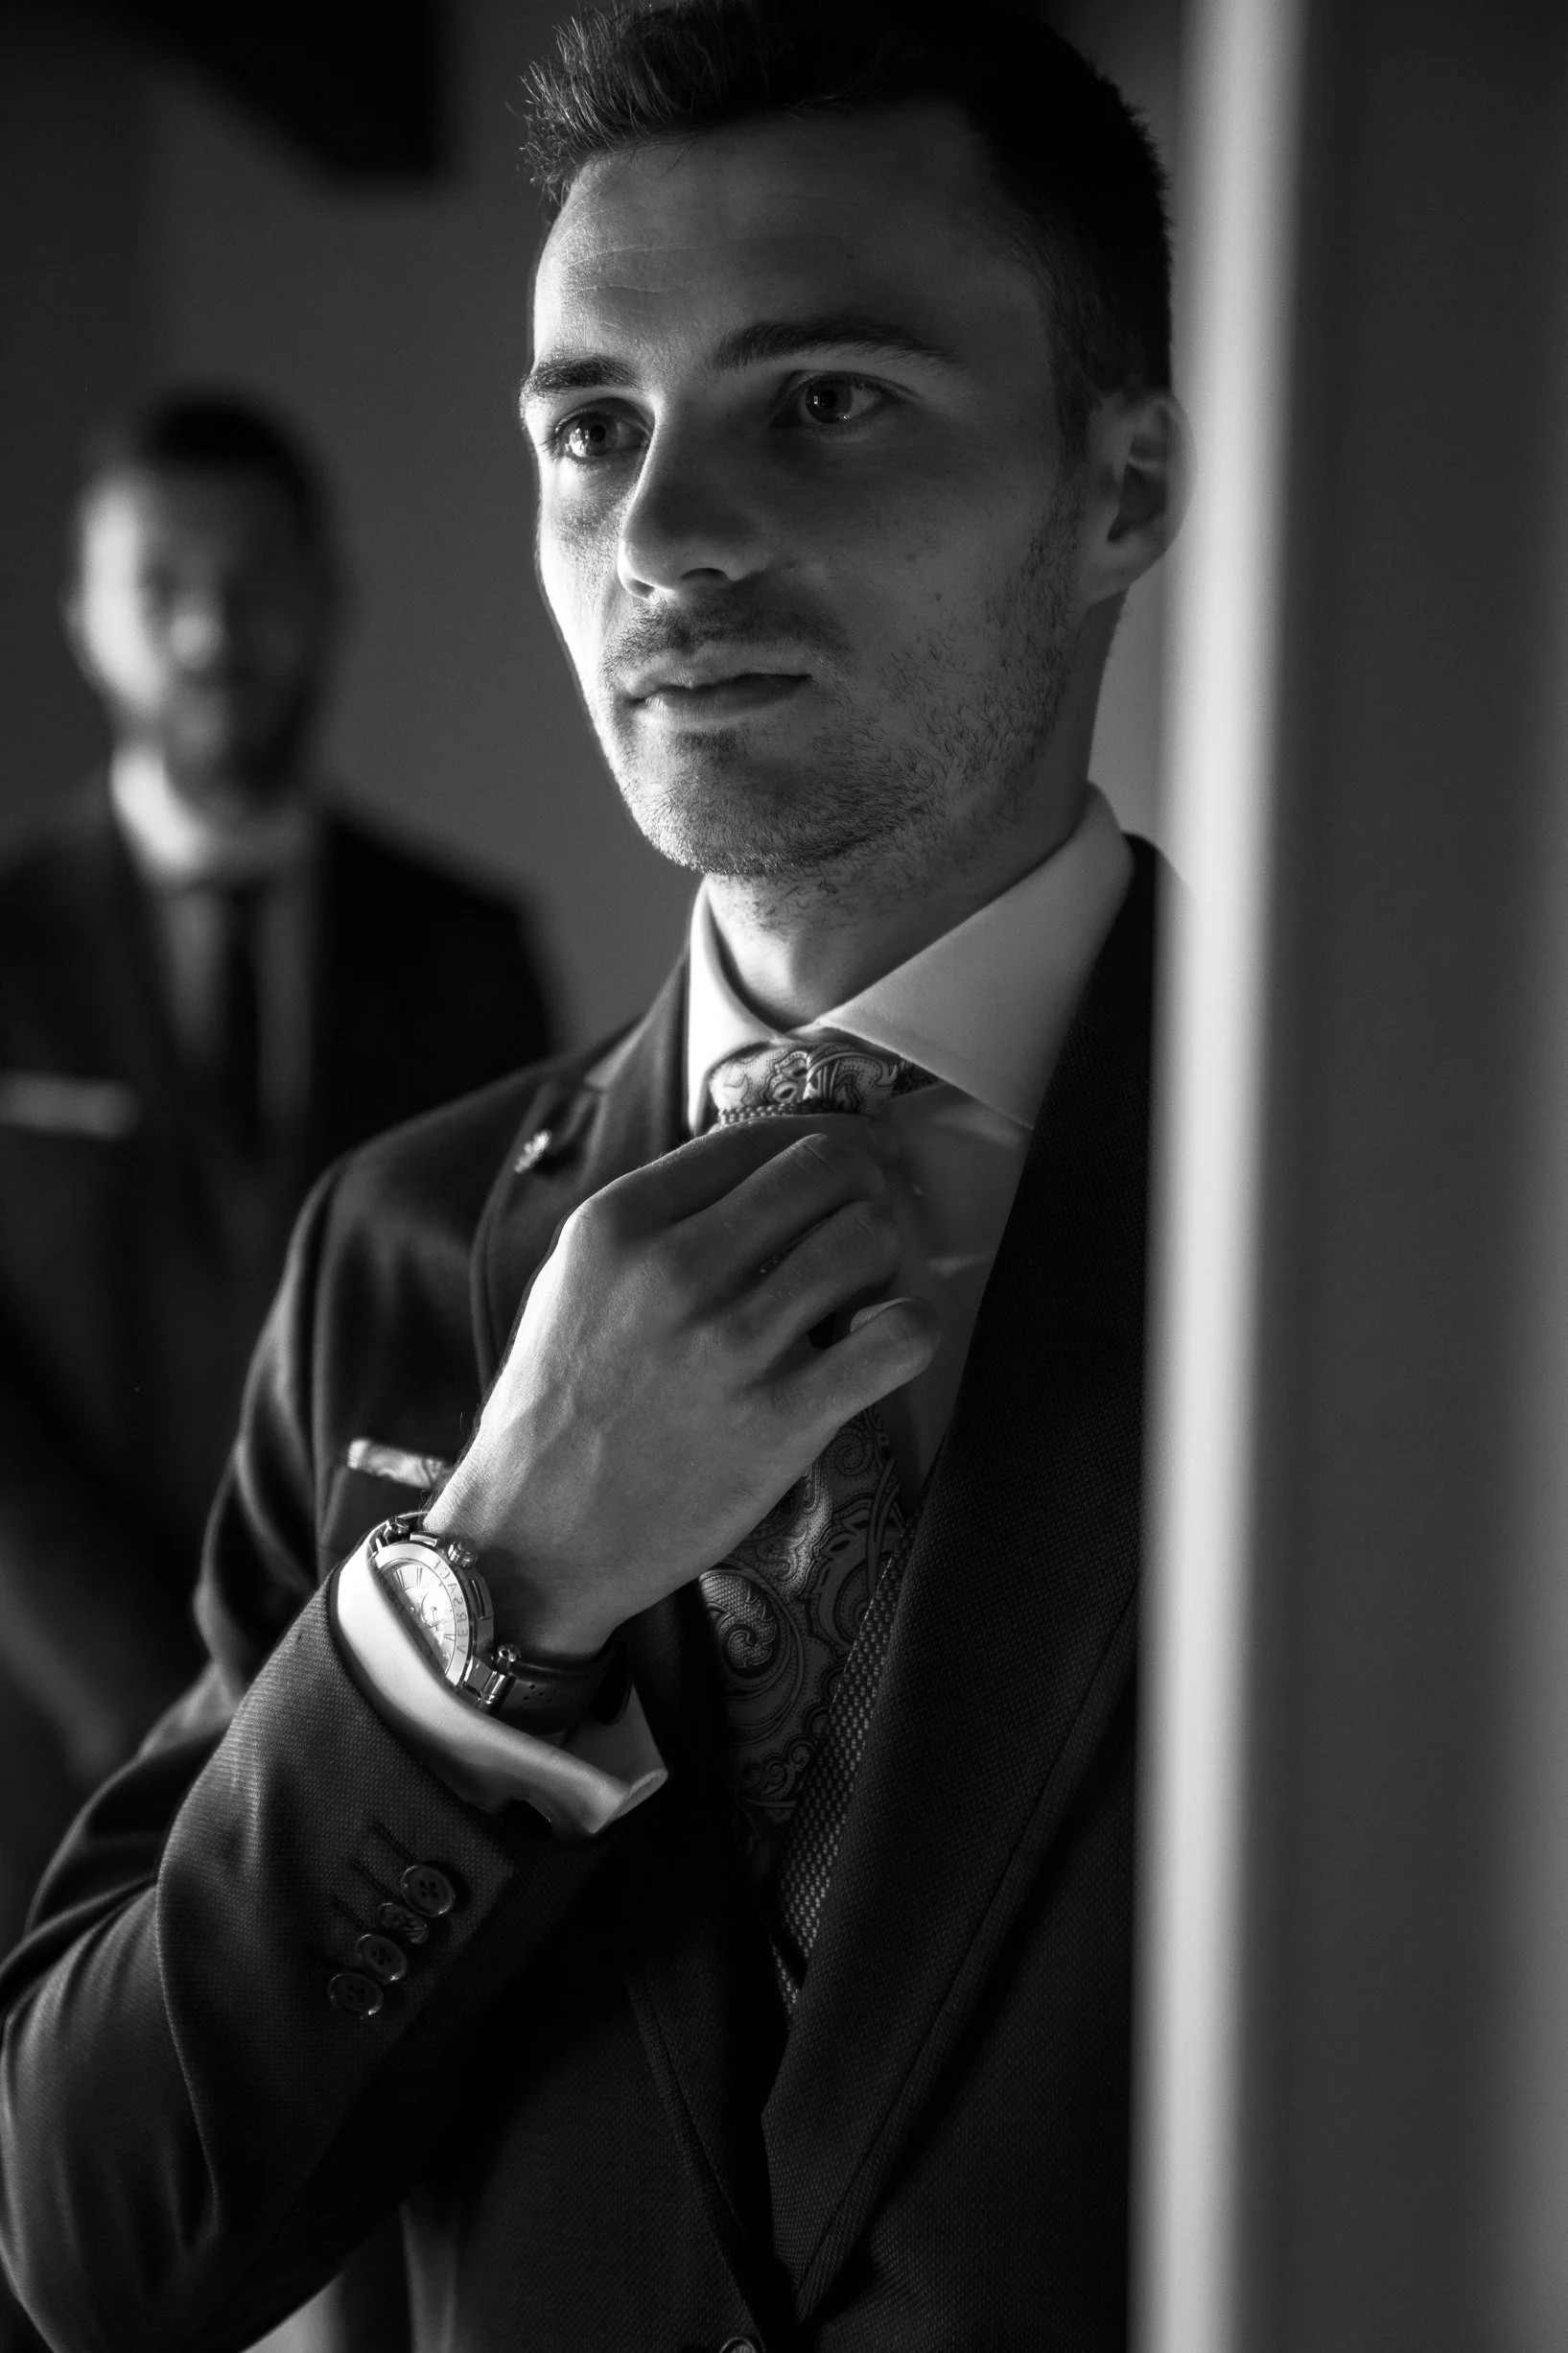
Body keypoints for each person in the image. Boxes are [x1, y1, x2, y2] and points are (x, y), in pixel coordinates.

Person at [0, 5, 1187, 2346]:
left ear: (1120, 488)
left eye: (822, 402)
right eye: (591, 429)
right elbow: (91, 2231)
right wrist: (496, 1586)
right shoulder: (400, 1249)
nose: (661, 535)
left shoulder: (1423, 1208)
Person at [0, 392, 555, 1944]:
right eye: (158, 588)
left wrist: (335, 1694)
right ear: (83, 619)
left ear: (327, 602)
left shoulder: (467, 957)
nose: (209, 634)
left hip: (375, 1748)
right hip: (46, 1761)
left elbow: (496, 1339)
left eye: (253, 584)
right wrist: (144, 1699)